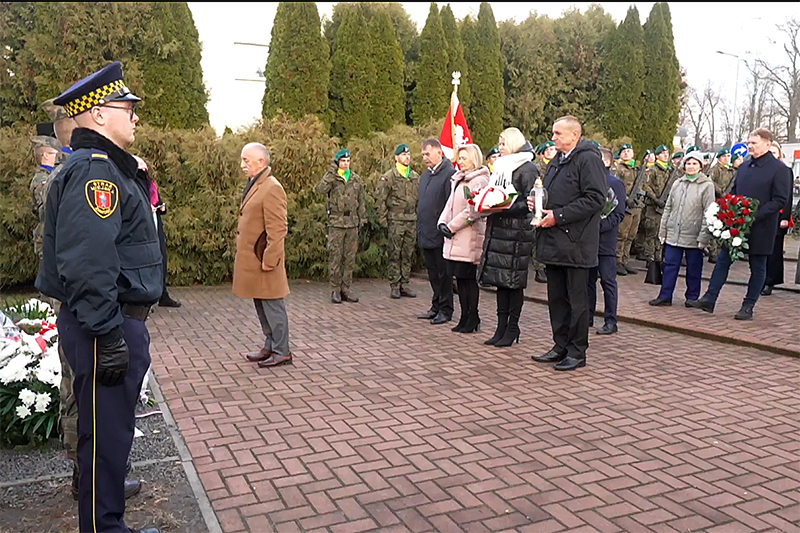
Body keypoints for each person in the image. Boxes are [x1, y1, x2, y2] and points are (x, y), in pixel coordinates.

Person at [35, 61, 161, 533]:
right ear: (99, 114)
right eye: (126, 107)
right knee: (104, 444)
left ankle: (108, 525)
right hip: (101, 326)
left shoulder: (104, 169)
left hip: (108, 322)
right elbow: (90, 265)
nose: (134, 116)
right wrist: (109, 335)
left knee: (109, 440)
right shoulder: (96, 176)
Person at [690, 128, 791, 320]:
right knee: (723, 261)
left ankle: (748, 306)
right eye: (749, 142)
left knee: (758, 266)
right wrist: (727, 211)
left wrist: (753, 216)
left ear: (768, 144)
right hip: (736, 225)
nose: (749, 146)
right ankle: (709, 299)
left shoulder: (780, 170)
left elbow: (779, 200)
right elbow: (734, 192)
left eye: (754, 143)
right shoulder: (744, 167)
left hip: (762, 227)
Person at [530, 116, 606, 370]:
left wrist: (559, 215)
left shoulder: (587, 159)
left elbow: (595, 199)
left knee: (576, 300)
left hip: (576, 243)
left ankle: (577, 351)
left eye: (558, 133)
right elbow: (551, 192)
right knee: (557, 299)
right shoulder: (557, 161)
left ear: (574, 135)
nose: (553, 138)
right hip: (554, 241)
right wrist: (539, 206)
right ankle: (560, 345)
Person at [234, 143, 292, 368]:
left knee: (272, 304)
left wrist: (270, 260)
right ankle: (270, 345)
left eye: (246, 160)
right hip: (256, 260)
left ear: (262, 161)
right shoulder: (256, 184)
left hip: (266, 259)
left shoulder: (271, 187)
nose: (242, 165)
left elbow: (278, 228)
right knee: (260, 302)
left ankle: (282, 351)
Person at [479, 128, 538, 347]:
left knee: (513, 283)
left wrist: (504, 206)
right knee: (501, 283)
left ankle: (512, 328)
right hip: (500, 229)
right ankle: (500, 327)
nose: (500, 147)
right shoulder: (502, 167)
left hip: (517, 233)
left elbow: (532, 202)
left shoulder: (528, 168)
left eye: (503, 143)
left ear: (514, 144)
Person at [648, 152, 715, 306]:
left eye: (694, 164)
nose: (690, 167)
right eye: (688, 163)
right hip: (674, 233)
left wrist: (703, 237)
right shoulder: (678, 183)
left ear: (700, 166)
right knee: (670, 266)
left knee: (693, 269)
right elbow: (668, 207)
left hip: (693, 234)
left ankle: (692, 297)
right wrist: (663, 230)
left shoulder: (706, 185)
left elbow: (709, 212)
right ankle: (665, 296)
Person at [437, 144, 490, 334]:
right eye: (459, 158)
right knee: (460, 279)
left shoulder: (479, 181)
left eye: (464, 158)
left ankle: (472, 316)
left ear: (474, 159)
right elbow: (450, 205)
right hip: (455, 237)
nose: (460, 161)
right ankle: (464, 316)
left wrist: (451, 227)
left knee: (468, 279)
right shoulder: (458, 179)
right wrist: (442, 222)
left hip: (469, 236)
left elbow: (473, 211)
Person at [316, 149, 365, 304]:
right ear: (337, 162)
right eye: (342, 161)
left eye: (348, 161)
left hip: (352, 223)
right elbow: (320, 189)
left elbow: (361, 201)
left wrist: (361, 219)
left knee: (349, 258)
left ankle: (346, 289)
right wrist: (331, 172)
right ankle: (335, 290)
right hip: (337, 223)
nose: (345, 164)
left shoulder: (356, 179)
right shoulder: (332, 178)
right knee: (336, 257)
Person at [416, 139, 456, 324]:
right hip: (426, 231)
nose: (425, 158)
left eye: (428, 154)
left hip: (440, 234)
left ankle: (446, 309)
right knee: (432, 273)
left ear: (439, 152)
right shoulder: (425, 175)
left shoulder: (449, 174)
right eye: (423, 154)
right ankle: (436, 305)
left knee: (444, 274)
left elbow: (451, 205)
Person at [588, 147, 626, 335]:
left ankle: (611, 320)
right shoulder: (587, 180)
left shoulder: (614, 183)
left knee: (608, 281)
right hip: (587, 240)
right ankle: (587, 316)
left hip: (605, 241)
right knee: (588, 280)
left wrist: (598, 227)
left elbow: (618, 214)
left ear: (607, 162)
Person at [376, 144, 419, 299]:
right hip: (395, 220)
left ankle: (404, 284)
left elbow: (419, 199)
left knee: (408, 253)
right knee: (395, 254)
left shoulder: (414, 176)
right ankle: (395, 285)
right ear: (396, 157)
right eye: (403, 155)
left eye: (408, 154)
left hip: (411, 220)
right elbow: (381, 200)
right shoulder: (389, 176)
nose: (407, 157)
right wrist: (383, 220)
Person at [761, 141, 794, 296]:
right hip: (765, 214)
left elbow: (787, 196)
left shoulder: (785, 170)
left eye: (774, 153)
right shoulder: (763, 170)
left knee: (775, 250)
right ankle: (760, 279)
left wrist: (785, 217)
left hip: (779, 215)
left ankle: (770, 280)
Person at [29, 129, 60, 259]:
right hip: (47, 238)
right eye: (55, 154)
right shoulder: (41, 180)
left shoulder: (52, 175)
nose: (58, 157)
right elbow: (44, 208)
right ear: (45, 156)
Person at [614, 143, 643, 276]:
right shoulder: (618, 169)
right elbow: (615, 187)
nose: (626, 153)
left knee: (631, 235)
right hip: (624, 205)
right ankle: (617, 261)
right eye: (623, 151)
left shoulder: (637, 169)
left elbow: (643, 185)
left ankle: (625, 260)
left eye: (629, 151)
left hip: (636, 206)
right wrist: (626, 199)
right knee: (621, 234)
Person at [642, 145, 672, 267]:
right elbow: (646, 186)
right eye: (663, 153)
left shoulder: (670, 170)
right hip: (653, 207)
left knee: (661, 234)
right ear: (658, 155)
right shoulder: (653, 170)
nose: (666, 155)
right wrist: (655, 199)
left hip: (665, 207)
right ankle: (649, 258)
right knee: (651, 233)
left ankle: (658, 257)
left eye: (667, 153)